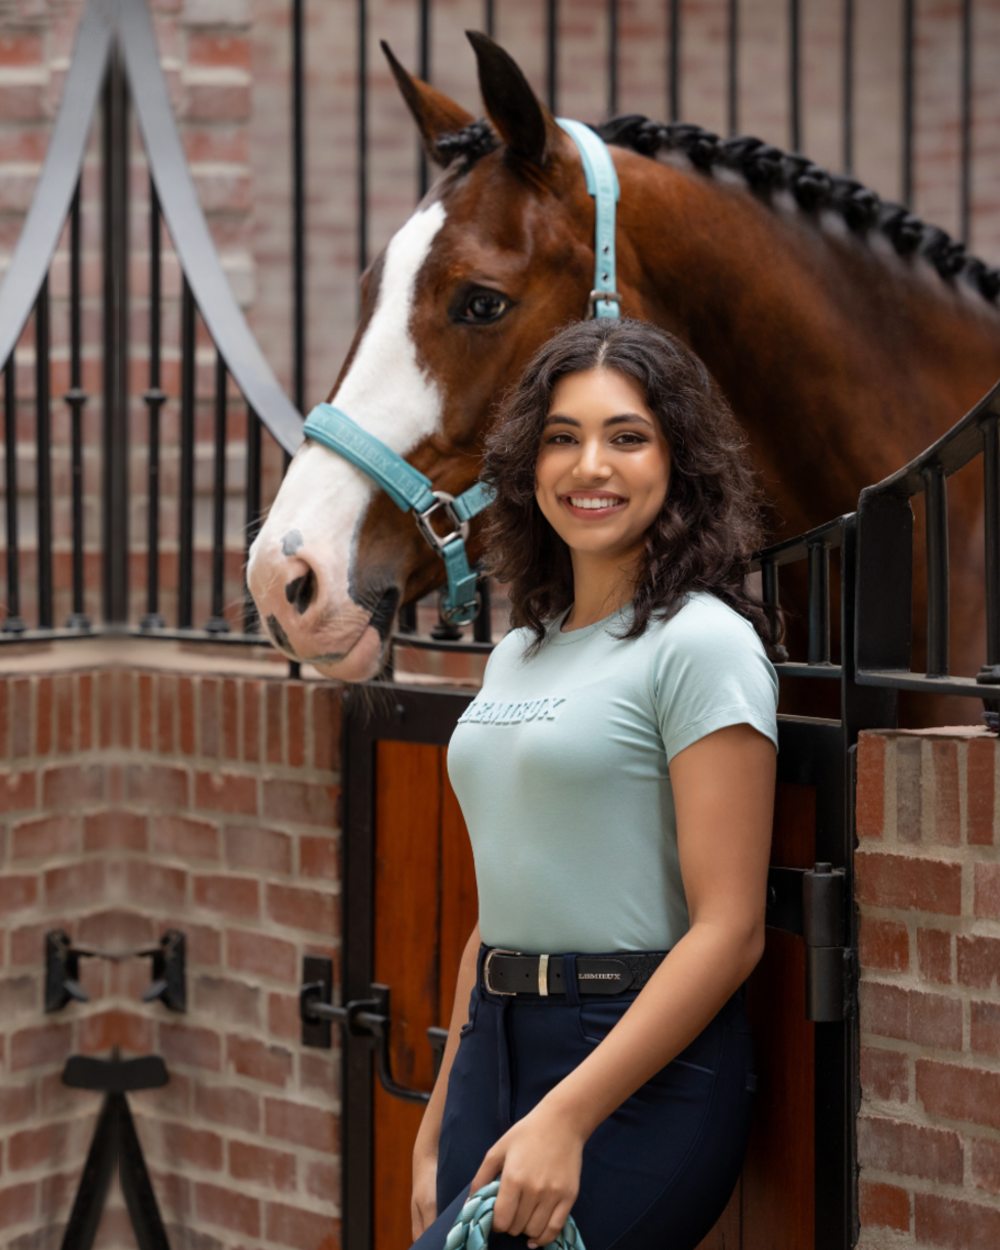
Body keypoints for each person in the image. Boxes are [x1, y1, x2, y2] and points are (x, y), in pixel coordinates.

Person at [409, 318, 780, 1250]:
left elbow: (730, 930)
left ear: (678, 459)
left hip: (635, 1067)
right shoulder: (517, 653)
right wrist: (440, 1107)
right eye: (563, 437)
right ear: (530, 468)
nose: (591, 466)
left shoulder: (703, 645)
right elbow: (501, 906)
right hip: (492, 1044)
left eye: (627, 436)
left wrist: (569, 1116)